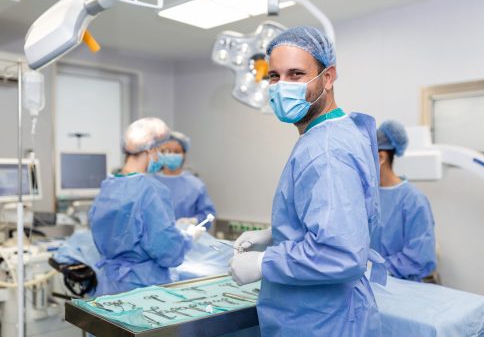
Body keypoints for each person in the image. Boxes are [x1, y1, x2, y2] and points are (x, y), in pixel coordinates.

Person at [229, 26, 383, 336]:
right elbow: (341, 218)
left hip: (322, 320)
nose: (282, 85)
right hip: (326, 312)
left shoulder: (326, 149)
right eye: (274, 76)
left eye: (296, 74)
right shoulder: (334, 131)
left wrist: (264, 262)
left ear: (327, 77)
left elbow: (339, 253)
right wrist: (280, 233)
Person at [89, 118, 205, 296]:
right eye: (159, 151)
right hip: (142, 289)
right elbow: (167, 251)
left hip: (110, 286)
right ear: (149, 149)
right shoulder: (151, 190)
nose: (160, 157)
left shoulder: (109, 186)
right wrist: (187, 239)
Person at [377, 120, 437, 281]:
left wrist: (377, 268)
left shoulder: (413, 200)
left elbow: (419, 257)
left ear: (380, 157)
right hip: (367, 287)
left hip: (401, 288)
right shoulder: (366, 195)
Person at [153, 131, 216, 228]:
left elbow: (208, 215)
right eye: (167, 151)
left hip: (187, 239)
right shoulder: (150, 183)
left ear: (184, 155)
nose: (171, 155)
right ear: (160, 154)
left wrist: (193, 221)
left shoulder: (195, 185)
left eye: (176, 151)